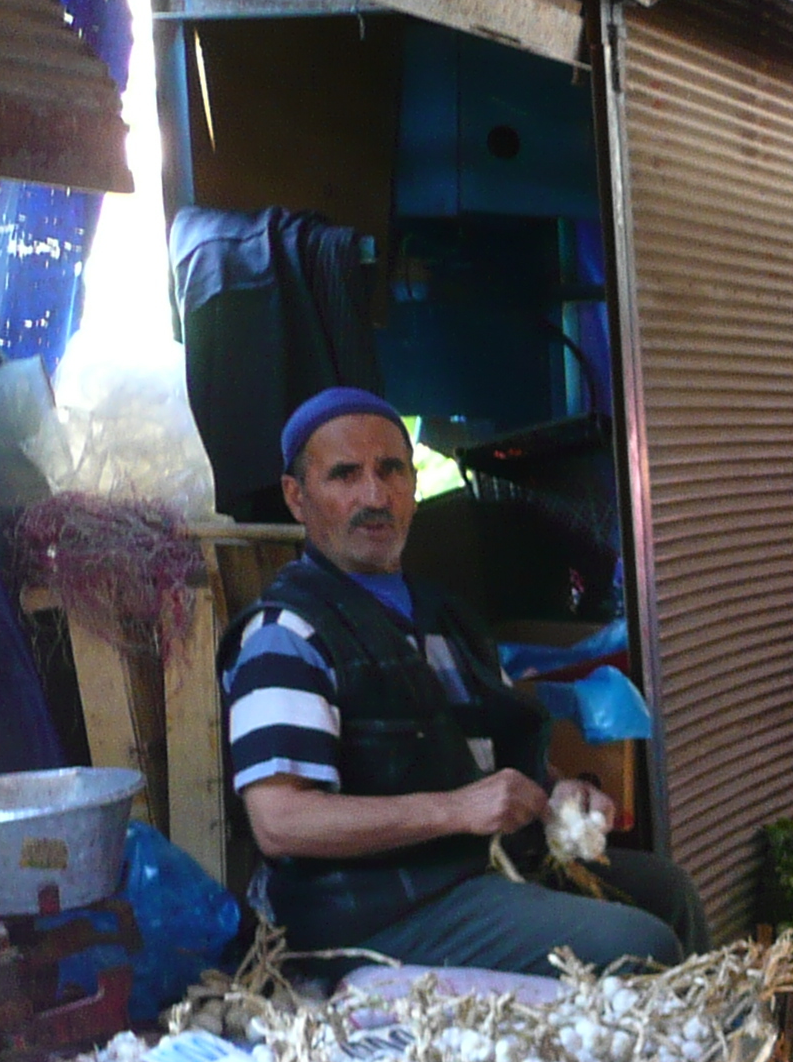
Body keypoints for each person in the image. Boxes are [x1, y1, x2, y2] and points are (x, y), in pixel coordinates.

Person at [223, 387, 710, 977]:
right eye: (344, 475)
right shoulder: (286, 635)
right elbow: (279, 821)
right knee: (638, 943)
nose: (373, 495)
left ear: (413, 486)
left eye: (391, 471)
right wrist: (455, 810)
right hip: (374, 911)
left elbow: (487, 752)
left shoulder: (448, 620)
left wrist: (557, 793)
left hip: (472, 870)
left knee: (669, 892)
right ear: (297, 498)